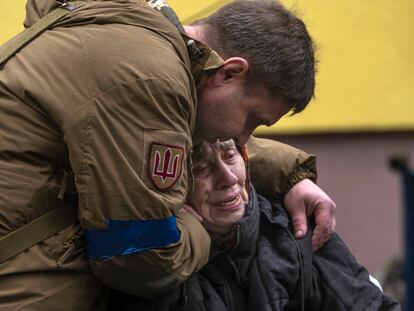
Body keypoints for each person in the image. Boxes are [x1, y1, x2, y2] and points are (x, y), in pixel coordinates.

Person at [0, 0, 334, 309]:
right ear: (229, 73)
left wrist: (290, 174)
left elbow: (169, 134)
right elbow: (140, 259)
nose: (242, 137)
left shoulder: (131, 37)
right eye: (252, 119)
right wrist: (203, 230)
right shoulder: (150, 77)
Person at [110, 138, 400, 311]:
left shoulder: (287, 229)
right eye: (200, 167)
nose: (228, 178)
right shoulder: (154, 263)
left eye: (230, 155)